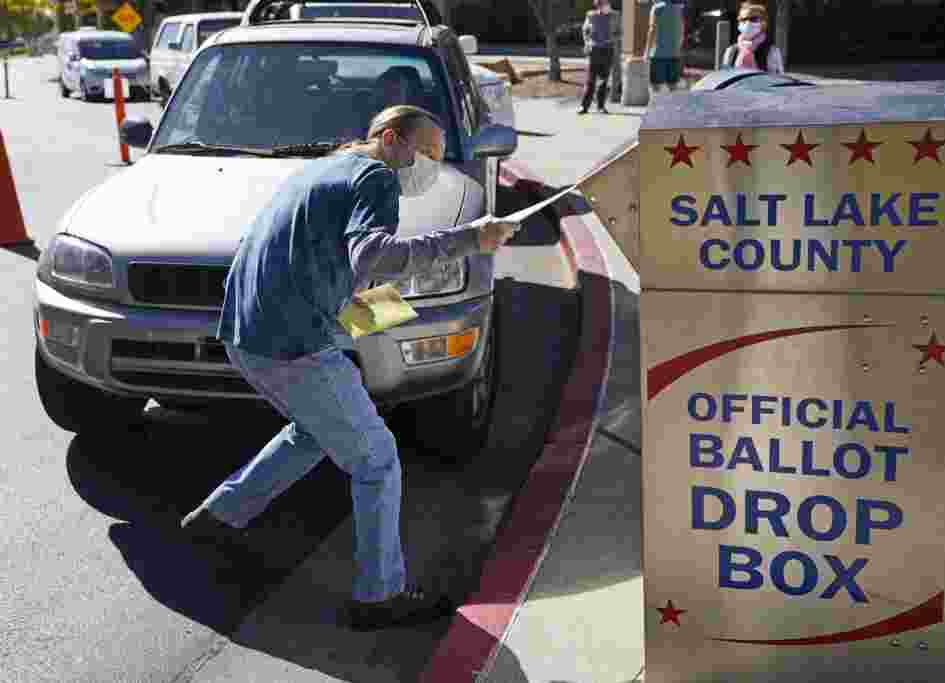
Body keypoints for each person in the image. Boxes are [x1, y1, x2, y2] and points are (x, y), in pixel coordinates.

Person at [180, 105, 520, 631]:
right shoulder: (375, 176)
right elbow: (373, 259)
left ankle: (218, 517)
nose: (430, 166)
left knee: (313, 433)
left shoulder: (324, 168)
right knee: (377, 459)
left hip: (248, 333)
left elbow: (328, 275)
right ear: (390, 138)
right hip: (293, 344)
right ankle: (378, 596)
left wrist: (389, 313)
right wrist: (471, 239)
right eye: (427, 153)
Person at [578, 0, 621, 115]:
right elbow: (585, 30)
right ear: (598, 6)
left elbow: (620, 32)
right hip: (594, 50)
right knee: (591, 79)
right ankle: (584, 106)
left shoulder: (615, 15)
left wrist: (612, 39)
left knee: (603, 79)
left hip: (607, 49)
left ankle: (600, 106)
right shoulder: (591, 15)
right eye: (604, 4)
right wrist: (587, 43)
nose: (607, 6)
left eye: (608, 3)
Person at [720, 2, 784, 74]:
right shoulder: (731, 51)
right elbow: (725, 76)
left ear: (763, 23)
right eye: (743, 19)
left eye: (753, 19)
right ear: (739, 24)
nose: (748, 22)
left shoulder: (772, 52)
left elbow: (778, 79)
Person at [642, 0, 686, 101]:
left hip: (658, 54)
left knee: (655, 87)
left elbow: (652, 30)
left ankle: (655, 110)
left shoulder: (656, 8)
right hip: (674, 54)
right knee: (673, 86)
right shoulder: (678, 9)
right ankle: (673, 110)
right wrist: (677, 47)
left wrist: (647, 52)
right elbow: (682, 31)